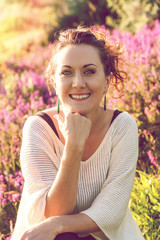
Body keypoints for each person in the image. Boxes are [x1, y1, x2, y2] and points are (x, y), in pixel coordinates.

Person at [11, 26, 145, 240]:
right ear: (55, 83)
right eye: (67, 72)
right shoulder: (38, 128)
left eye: (89, 71)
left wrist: (59, 224)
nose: (78, 83)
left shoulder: (122, 126)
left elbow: (110, 213)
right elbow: (52, 211)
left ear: (107, 81)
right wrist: (73, 145)